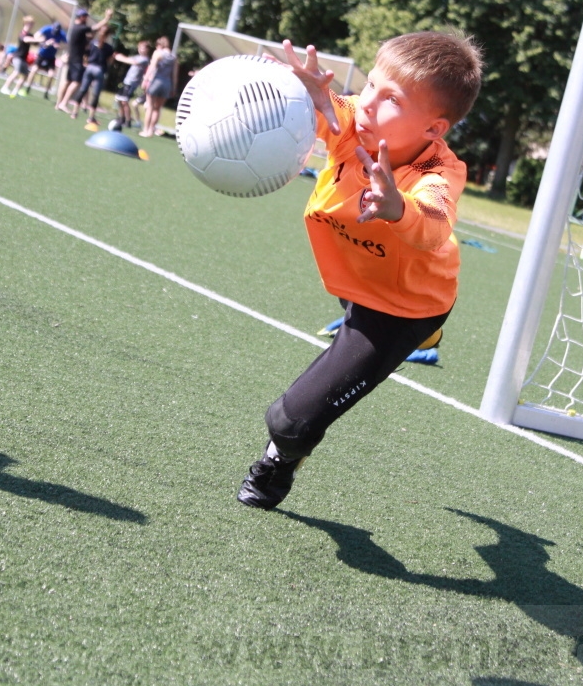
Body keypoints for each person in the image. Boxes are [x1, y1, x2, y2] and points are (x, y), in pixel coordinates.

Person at [237, 31, 483, 510]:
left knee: (291, 421)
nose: (367, 104)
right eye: (370, 85)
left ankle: (278, 460)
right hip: (357, 278)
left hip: (403, 309)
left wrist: (397, 208)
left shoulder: (440, 171)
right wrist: (304, 90)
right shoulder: (354, 122)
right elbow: (328, 107)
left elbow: (433, 223)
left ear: (434, 130)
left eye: (390, 98)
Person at [56, 8, 114, 112]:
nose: (87, 18)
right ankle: (64, 103)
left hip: (72, 58)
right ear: (82, 17)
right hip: (77, 59)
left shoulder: (76, 28)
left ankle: (58, 103)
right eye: (86, 16)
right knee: (77, 82)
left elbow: (89, 38)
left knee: (68, 81)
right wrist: (107, 18)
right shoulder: (80, 28)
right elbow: (95, 28)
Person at [67, 26, 115, 123]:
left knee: (83, 90)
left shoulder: (92, 43)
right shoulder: (109, 48)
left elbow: (86, 54)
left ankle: (74, 112)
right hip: (99, 70)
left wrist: (86, 62)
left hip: (89, 68)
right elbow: (110, 61)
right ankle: (91, 117)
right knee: (96, 94)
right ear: (108, 35)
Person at [139, 36, 178, 137]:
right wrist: (173, 88)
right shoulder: (174, 57)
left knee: (150, 107)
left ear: (160, 45)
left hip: (156, 81)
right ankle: (151, 130)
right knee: (157, 109)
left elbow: (152, 67)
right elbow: (174, 75)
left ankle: (146, 130)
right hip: (167, 84)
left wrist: (145, 80)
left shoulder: (158, 53)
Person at [112, 40, 151, 128]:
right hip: (127, 81)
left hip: (132, 83)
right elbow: (130, 59)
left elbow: (133, 62)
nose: (140, 49)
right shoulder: (138, 56)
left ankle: (128, 120)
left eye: (143, 48)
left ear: (147, 50)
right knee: (119, 100)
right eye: (139, 47)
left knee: (125, 101)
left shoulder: (145, 59)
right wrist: (121, 56)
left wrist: (119, 57)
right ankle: (122, 118)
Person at [0, 16, 36, 95]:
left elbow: (35, 43)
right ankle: (4, 87)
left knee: (25, 75)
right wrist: (38, 39)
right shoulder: (22, 33)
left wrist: (45, 43)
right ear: (26, 24)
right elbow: (26, 39)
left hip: (24, 58)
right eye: (31, 24)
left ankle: (15, 90)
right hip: (17, 57)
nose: (32, 25)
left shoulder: (30, 35)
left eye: (33, 24)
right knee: (16, 72)